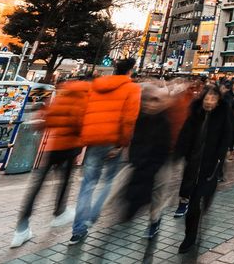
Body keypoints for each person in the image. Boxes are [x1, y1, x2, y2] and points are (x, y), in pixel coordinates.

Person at [10, 76, 89, 248]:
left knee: (37, 186)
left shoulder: (62, 97)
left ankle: (21, 228)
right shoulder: (83, 98)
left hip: (53, 147)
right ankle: (59, 212)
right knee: (65, 182)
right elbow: (79, 123)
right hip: (70, 146)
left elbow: (48, 120)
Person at [69, 59, 141, 245]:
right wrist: (122, 144)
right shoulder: (132, 89)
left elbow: (83, 112)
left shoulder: (96, 86)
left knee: (88, 184)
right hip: (113, 140)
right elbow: (129, 119)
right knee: (109, 181)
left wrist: (84, 136)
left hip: (93, 140)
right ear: (130, 71)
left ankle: (78, 229)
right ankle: (91, 216)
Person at [174, 85, 231, 253]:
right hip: (192, 164)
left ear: (219, 101)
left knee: (200, 197)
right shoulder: (195, 114)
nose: (209, 102)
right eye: (207, 98)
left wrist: (220, 157)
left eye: (213, 99)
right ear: (202, 99)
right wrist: (179, 153)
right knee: (192, 202)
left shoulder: (222, 115)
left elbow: (226, 136)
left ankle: (206, 198)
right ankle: (189, 236)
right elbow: (184, 135)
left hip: (210, 165)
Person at [119, 82, 173, 239]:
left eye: (155, 101)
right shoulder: (141, 117)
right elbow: (135, 140)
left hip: (160, 162)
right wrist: (135, 159)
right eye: (148, 100)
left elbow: (164, 148)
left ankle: (154, 221)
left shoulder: (164, 121)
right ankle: (132, 209)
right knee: (133, 186)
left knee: (158, 192)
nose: (150, 104)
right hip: (142, 161)